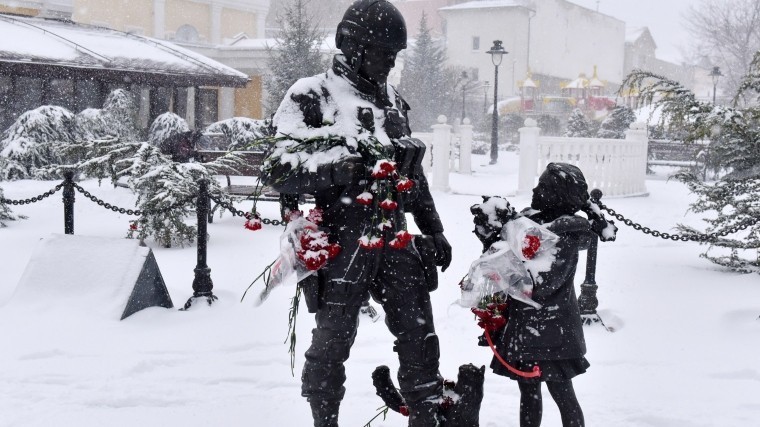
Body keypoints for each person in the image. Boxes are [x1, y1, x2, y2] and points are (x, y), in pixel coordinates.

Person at [261, 1, 452, 426]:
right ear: (349, 44)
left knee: (420, 340)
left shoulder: (394, 103)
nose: (389, 62)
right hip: (343, 240)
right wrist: (334, 169)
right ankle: (324, 420)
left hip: (395, 239)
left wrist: (433, 229)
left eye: (394, 54)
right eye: (382, 51)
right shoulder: (311, 95)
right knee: (332, 342)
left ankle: (426, 417)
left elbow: (411, 176)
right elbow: (275, 167)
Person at [487, 163, 616, 427]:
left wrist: (507, 266)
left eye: (543, 186)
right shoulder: (529, 224)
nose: (536, 189)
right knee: (529, 394)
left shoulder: (564, 235)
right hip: (528, 327)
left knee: (562, 393)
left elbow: (539, 284)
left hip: (552, 331)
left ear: (558, 195)